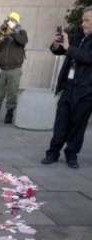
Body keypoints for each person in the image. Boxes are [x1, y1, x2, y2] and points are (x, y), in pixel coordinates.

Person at [41, 7, 92, 169]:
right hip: (68, 87)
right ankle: (52, 152)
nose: (83, 23)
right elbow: (61, 51)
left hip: (86, 91)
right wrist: (56, 45)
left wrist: (69, 47)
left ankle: (71, 155)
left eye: (87, 21)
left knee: (78, 126)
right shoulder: (77, 36)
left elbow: (87, 57)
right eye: (83, 20)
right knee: (61, 122)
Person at [0, 12, 28, 124]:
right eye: (9, 19)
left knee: (12, 92)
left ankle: (9, 114)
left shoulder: (21, 32)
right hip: (0, 68)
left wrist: (13, 34)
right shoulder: (2, 32)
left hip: (14, 68)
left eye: (13, 20)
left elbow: (23, 41)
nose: (10, 21)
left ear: (17, 22)